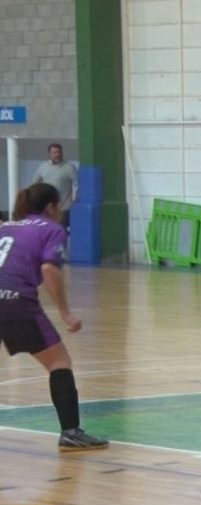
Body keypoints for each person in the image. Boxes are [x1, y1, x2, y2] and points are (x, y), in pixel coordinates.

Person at [0, 183, 108, 451]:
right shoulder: (52, 229)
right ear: (51, 207)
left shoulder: (7, 226)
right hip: (15, 301)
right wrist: (66, 313)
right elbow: (49, 269)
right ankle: (71, 432)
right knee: (60, 362)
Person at [32, 143, 78, 230]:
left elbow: (78, 185)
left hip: (63, 208)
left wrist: (75, 200)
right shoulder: (42, 167)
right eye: (54, 152)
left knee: (60, 231)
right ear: (49, 153)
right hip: (46, 208)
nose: (57, 155)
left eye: (59, 152)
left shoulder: (69, 168)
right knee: (45, 231)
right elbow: (35, 184)